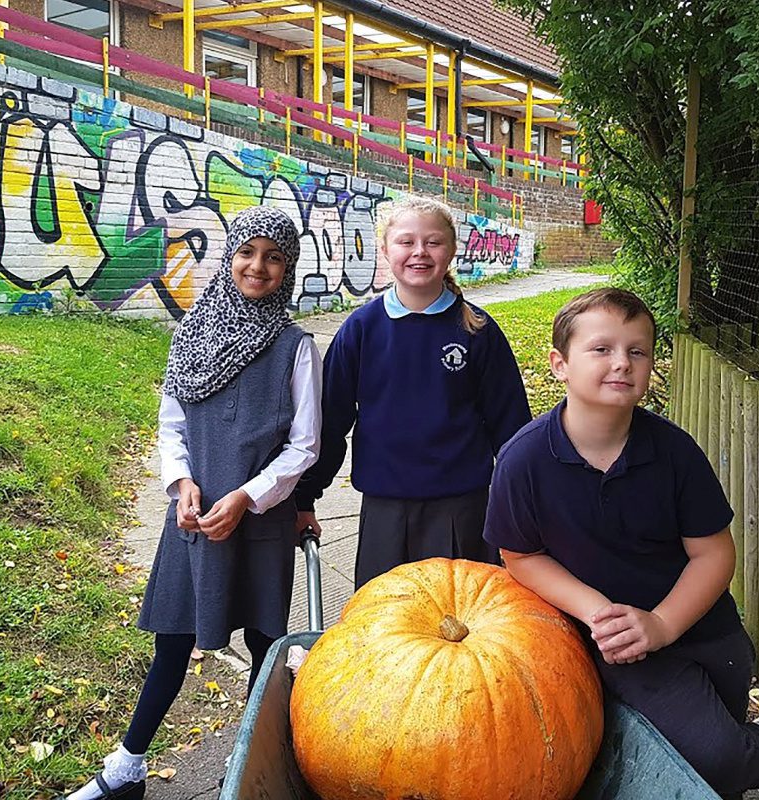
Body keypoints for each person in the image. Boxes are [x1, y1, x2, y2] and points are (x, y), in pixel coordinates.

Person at [482, 288, 759, 800]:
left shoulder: (673, 452)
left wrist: (663, 623)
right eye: (601, 349)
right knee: (708, 760)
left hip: (699, 625)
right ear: (560, 364)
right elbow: (520, 555)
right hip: (617, 643)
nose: (621, 363)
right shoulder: (523, 461)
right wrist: (599, 612)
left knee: (722, 750)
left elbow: (713, 553)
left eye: (637, 351)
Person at [62, 207, 322, 800]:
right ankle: (126, 768)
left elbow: (304, 444)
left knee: (264, 644)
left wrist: (247, 497)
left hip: (257, 518)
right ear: (229, 256)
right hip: (194, 516)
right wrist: (182, 486)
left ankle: (260, 766)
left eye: (274, 257)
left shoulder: (295, 347)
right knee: (173, 640)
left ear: (288, 268)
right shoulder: (194, 330)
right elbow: (172, 422)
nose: (258, 266)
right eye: (247, 252)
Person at [294, 196, 531, 588]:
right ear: (385, 249)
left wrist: (521, 509)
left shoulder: (478, 331)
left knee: (462, 633)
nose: (419, 252)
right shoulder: (361, 329)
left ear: (452, 249)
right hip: (386, 514)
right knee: (385, 629)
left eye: (433, 242)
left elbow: (512, 429)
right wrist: (305, 497)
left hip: (464, 510)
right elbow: (330, 422)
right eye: (406, 242)